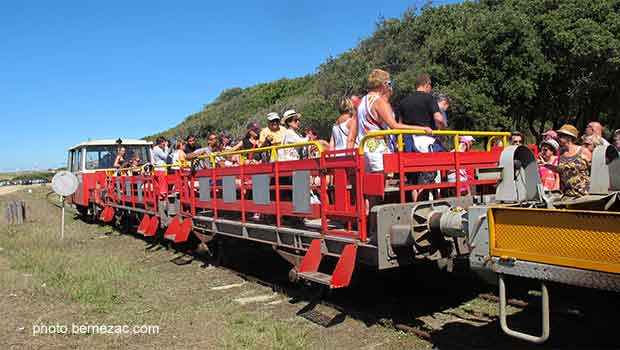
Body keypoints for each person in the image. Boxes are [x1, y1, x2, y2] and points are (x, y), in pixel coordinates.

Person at [356, 69, 432, 173]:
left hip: (365, 147)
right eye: (389, 83)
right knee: (381, 184)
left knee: (368, 184)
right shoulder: (378, 102)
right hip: (378, 148)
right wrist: (422, 128)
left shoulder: (363, 101)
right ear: (384, 84)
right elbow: (394, 125)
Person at [543, 124, 591, 198]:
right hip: (567, 195)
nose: (558, 138)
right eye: (558, 135)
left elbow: (594, 170)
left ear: (569, 137)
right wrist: (546, 165)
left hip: (583, 195)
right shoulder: (561, 153)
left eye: (561, 136)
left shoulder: (583, 151)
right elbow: (561, 170)